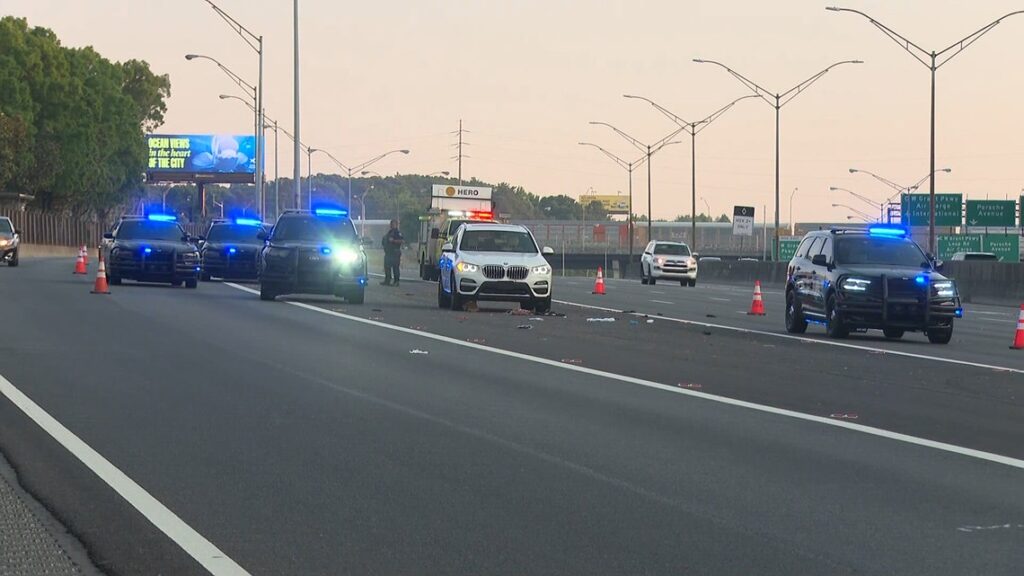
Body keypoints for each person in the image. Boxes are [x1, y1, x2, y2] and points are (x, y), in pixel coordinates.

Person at [382, 219, 404, 286]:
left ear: (396, 225)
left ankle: (396, 281)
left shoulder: (398, 232)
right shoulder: (389, 232)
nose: (392, 225)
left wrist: (394, 241)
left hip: (395, 252)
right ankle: (387, 280)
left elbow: (402, 241)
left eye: (393, 224)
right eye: (391, 224)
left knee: (395, 267)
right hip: (388, 253)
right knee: (387, 267)